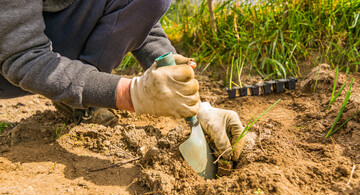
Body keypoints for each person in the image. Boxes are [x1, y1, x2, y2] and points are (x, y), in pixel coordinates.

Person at [0, 0, 246, 161]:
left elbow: (136, 16)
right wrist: (132, 93)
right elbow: (22, 55)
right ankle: (78, 98)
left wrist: (195, 104)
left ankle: (79, 93)